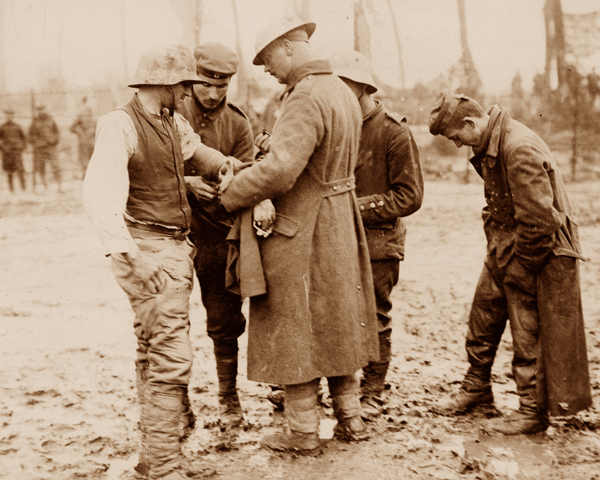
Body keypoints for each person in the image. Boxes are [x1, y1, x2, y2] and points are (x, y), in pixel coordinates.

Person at [219, 15, 379, 454]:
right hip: (340, 224)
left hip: (304, 230)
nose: (265, 69)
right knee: (338, 322)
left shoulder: (306, 96)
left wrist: (233, 191)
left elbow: (282, 169)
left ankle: (302, 432)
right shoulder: (342, 91)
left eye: (267, 59)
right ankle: (352, 419)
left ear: (288, 47)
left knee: (295, 328)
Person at [82, 44, 235, 479]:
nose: (189, 92)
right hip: (148, 250)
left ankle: (155, 457)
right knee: (170, 355)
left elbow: (199, 154)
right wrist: (133, 256)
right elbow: (100, 196)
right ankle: (164, 466)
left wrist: (232, 168)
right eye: (184, 85)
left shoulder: (171, 121)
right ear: (164, 84)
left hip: (170, 248)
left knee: (154, 350)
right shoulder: (120, 125)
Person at [428, 93, 592, 435]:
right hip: (507, 244)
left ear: (471, 124)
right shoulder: (492, 142)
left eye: (458, 137)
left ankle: (531, 410)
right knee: (483, 316)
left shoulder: (517, 148)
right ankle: (476, 389)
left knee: (527, 330)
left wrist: (520, 267)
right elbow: (497, 203)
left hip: (539, 252)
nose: (459, 145)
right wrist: (497, 246)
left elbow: (541, 222)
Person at [330, 50, 424, 419]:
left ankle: (374, 391)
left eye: (345, 87)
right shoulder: (339, 125)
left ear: (362, 88)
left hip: (379, 241)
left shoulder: (393, 132)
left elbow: (410, 195)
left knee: (376, 314)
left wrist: (358, 207)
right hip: (339, 240)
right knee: (340, 313)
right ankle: (347, 389)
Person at [177, 42, 255, 428]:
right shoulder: (171, 112)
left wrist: (227, 188)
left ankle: (228, 399)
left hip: (217, 233)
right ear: (193, 80)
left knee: (224, 320)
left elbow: (248, 176)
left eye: (221, 85)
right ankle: (177, 404)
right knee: (170, 322)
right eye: (206, 84)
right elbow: (147, 167)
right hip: (173, 231)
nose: (212, 93)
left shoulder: (239, 124)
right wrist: (187, 182)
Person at [29, 104, 61, 192]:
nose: (41, 111)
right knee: (41, 167)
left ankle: (59, 186)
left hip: (50, 147)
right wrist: (36, 142)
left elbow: (56, 132)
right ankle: (44, 186)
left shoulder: (51, 120)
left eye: (42, 109)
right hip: (40, 148)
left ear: (45, 110)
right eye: (39, 110)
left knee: (55, 166)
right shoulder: (35, 122)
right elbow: (30, 135)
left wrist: (53, 141)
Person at [0, 108, 27, 193]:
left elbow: (23, 137)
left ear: (13, 116)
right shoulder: (2, 127)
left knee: (20, 170)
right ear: (5, 116)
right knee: (9, 171)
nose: (9, 116)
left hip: (16, 152)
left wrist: (22, 147)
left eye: (10, 115)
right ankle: (11, 189)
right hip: (7, 153)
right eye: (7, 115)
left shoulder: (17, 126)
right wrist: (3, 148)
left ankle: (23, 188)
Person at [70, 103, 96, 178]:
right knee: (84, 162)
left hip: (92, 145)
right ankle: (87, 175)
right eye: (84, 115)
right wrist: (77, 120)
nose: (86, 118)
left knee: (92, 161)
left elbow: (98, 131)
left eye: (88, 115)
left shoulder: (94, 123)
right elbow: (72, 129)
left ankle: (90, 175)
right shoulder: (79, 125)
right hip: (83, 145)